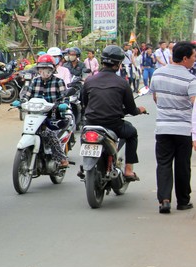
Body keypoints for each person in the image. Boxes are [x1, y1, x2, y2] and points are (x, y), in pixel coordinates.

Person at [81, 45, 147, 183]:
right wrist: (139, 110)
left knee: (85, 135)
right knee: (132, 133)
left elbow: (84, 102)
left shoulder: (89, 81)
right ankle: (128, 170)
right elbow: (130, 109)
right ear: (118, 64)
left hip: (91, 124)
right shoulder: (122, 83)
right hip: (113, 125)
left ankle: (84, 165)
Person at [149, 41, 196, 214]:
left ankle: (165, 200)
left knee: (163, 163)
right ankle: (183, 201)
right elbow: (194, 106)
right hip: (183, 129)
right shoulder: (191, 79)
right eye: (193, 57)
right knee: (182, 165)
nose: (194, 60)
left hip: (163, 127)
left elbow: (155, 97)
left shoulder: (157, 74)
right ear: (185, 58)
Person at [16, 54, 69, 168]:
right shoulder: (35, 81)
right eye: (41, 68)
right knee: (28, 131)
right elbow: (26, 95)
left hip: (52, 116)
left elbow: (65, 97)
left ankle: (61, 159)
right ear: (38, 70)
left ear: (52, 69)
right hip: (35, 115)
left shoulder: (58, 82)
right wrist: (20, 102)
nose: (44, 71)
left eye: (47, 68)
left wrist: (63, 104)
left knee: (49, 134)